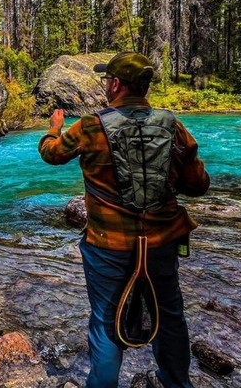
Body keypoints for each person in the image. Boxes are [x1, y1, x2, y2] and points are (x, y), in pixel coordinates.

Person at [38, 52, 210, 388]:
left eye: (107, 80)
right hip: (162, 242)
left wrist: (53, 128)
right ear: (144, 87)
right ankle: (176, 382)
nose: (106, 85)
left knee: (105, 324)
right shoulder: (173, 125)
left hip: (108, 246)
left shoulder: (90, 126)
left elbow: (52, 154)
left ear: (115, 84)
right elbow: (198, 186)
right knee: (170, 318)